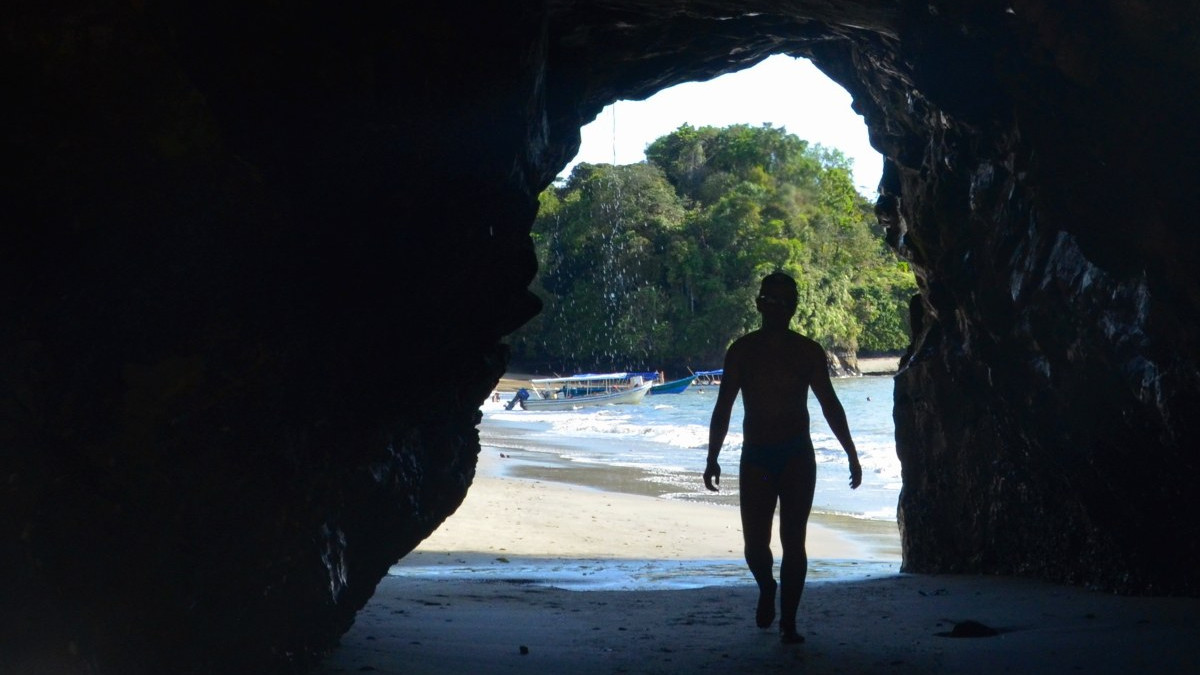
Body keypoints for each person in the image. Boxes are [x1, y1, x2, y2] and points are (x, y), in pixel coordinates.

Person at [704, 271, 862, 644]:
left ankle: (789, 622)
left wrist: (851, 453)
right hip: (756, 456)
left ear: (793, 308)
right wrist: (712, 457)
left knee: (795, 541)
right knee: (755, 546)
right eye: (770, 301)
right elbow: (723, 407)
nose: (776, 308)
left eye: (784, 302)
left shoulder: (807, 351)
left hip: (797, 456)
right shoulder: (742, 350)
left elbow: (830, 406)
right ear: (759, 304)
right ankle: (766, 586)